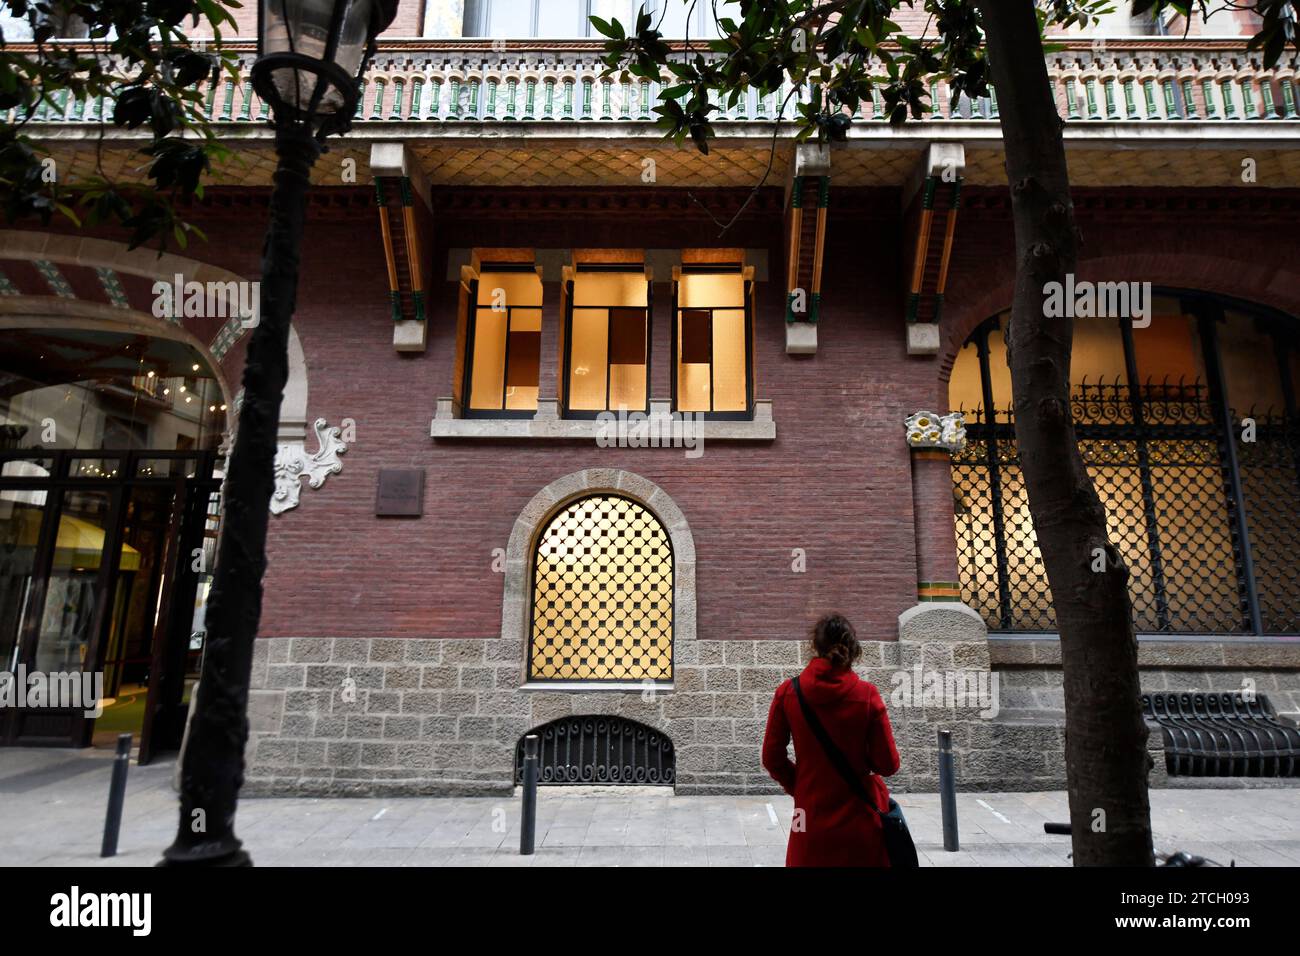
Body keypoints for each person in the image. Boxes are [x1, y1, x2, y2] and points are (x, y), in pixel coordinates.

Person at [761, 613, 901, 866]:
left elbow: (772, 758)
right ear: (853, 649)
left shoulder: (788, 693)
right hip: (860, 820)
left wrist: (800, 785)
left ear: (815, 646)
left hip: (809, 816)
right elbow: (888, 764)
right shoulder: (867, 695)